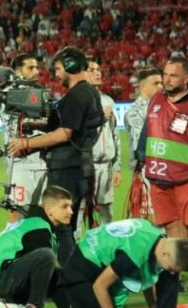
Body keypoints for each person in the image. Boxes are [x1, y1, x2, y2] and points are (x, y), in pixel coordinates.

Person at [14, 219, 188, 308]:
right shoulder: (135, 252)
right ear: (165, 254)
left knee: (168, 276)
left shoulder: (157, 239)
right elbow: (100, 286)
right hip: (82, 275)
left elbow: (146, 274)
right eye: (171, 266)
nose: (170, 271)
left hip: (95, 265)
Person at [8, 46, 104, 266]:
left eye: (59, 68)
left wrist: (27, 143)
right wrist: (37, 128)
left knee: (61, 228)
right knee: (68, 226)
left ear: (71, 65)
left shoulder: (77, 95)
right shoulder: (89, 92)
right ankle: (74, 274)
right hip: (80, 167)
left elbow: (64, 133)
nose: (57, 74)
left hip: (66, 170)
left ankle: (68, 277)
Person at [137, 58, 188, 296]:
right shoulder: (156, 100)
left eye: (173, 75)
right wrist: (139, 161)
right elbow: (147, 132)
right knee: (171, 226)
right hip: (159, 177)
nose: (167, 79)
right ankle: (176, 274)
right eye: (165, 74)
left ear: (187, 78)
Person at [0, 54, 48, 222]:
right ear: (18, 71)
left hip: (43, 162)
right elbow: (15, 125)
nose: (36, 72)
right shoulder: (8, 94)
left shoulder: (41, 92)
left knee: (43, 214)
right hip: (21, 164)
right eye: (30, 68)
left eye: (37, 67)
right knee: (17, 214)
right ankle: (11, 240)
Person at [123, 67, 162, 218]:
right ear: (143, 86)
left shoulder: (163, 106)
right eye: (155, 83)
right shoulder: (135, 112)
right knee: (143, 218)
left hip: (164, 169)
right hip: (146, 170)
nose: (160, 86)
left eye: (161, 83)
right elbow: (140, 144)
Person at [87, 59, 121, 225]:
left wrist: (116, 167)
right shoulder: (78, 100)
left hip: (105, 167)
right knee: (81, 212)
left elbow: (115, 135)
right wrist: (100, 117)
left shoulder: (108, 101)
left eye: (99, 69)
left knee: (106, 211)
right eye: (92, 70)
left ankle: (106, 240)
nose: (98, 73)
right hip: (85, 166)